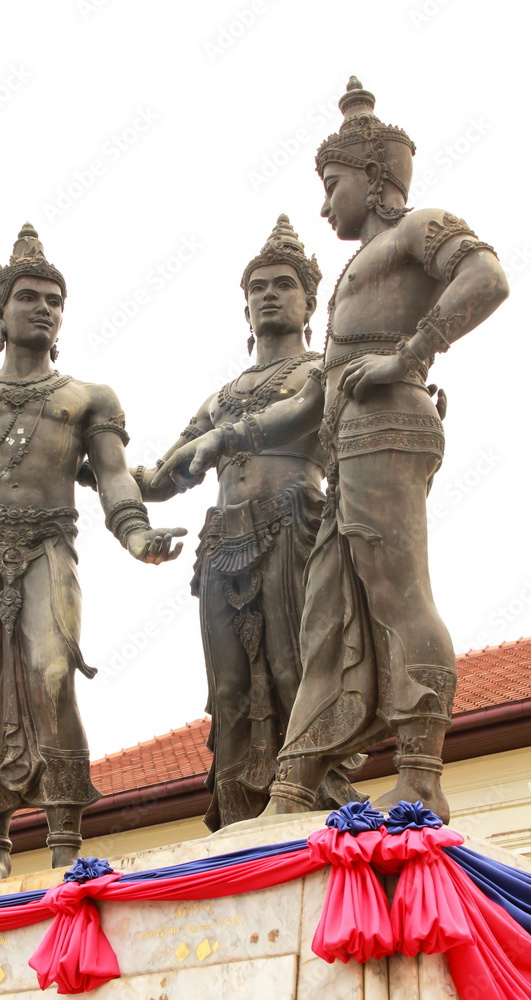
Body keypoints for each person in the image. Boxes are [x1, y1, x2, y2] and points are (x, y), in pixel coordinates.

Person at [155, 79, 508, 822]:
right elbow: (315, 397)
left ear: (374, 177)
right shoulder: (359, 264)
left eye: (332, 184)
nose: (324, 205)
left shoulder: (421, 227)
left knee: (396, 592)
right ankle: (292, 783)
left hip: (389, 428)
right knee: (326, 617)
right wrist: (226, 436)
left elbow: (487, 276)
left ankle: (419, 770)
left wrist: (413, 353)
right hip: (347, 445)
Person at [0, 223, 185, 878]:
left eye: (54, 300)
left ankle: (64, 842)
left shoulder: (87, 398)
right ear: (0, 310)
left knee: (53, 670)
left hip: (52, 539)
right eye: (29, 297)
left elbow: (112, 476)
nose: (44, 308)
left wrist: (135, 533)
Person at [120, 216, 364, 829]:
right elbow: (163, 475)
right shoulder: (222, 396)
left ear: (310, 301)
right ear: (245, 306)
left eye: (283, 284)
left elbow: (308, 423)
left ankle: (308, 799)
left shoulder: (321, 371)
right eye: (256, 288)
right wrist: (98, 462)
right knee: (228, 689)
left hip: (293, 524)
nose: (268, 295)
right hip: (222, 542)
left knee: (293, 669)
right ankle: (236, 818)